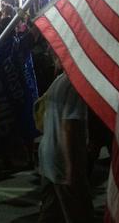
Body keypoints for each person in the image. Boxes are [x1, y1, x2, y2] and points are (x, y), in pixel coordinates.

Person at [37, 70, 93, 223]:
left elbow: (40, 112)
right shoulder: (76, 85)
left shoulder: (60, 80)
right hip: (63, 158)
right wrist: (71, 168)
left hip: (48, 154)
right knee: (79, 213)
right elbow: (69, 126)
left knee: (50, 213)